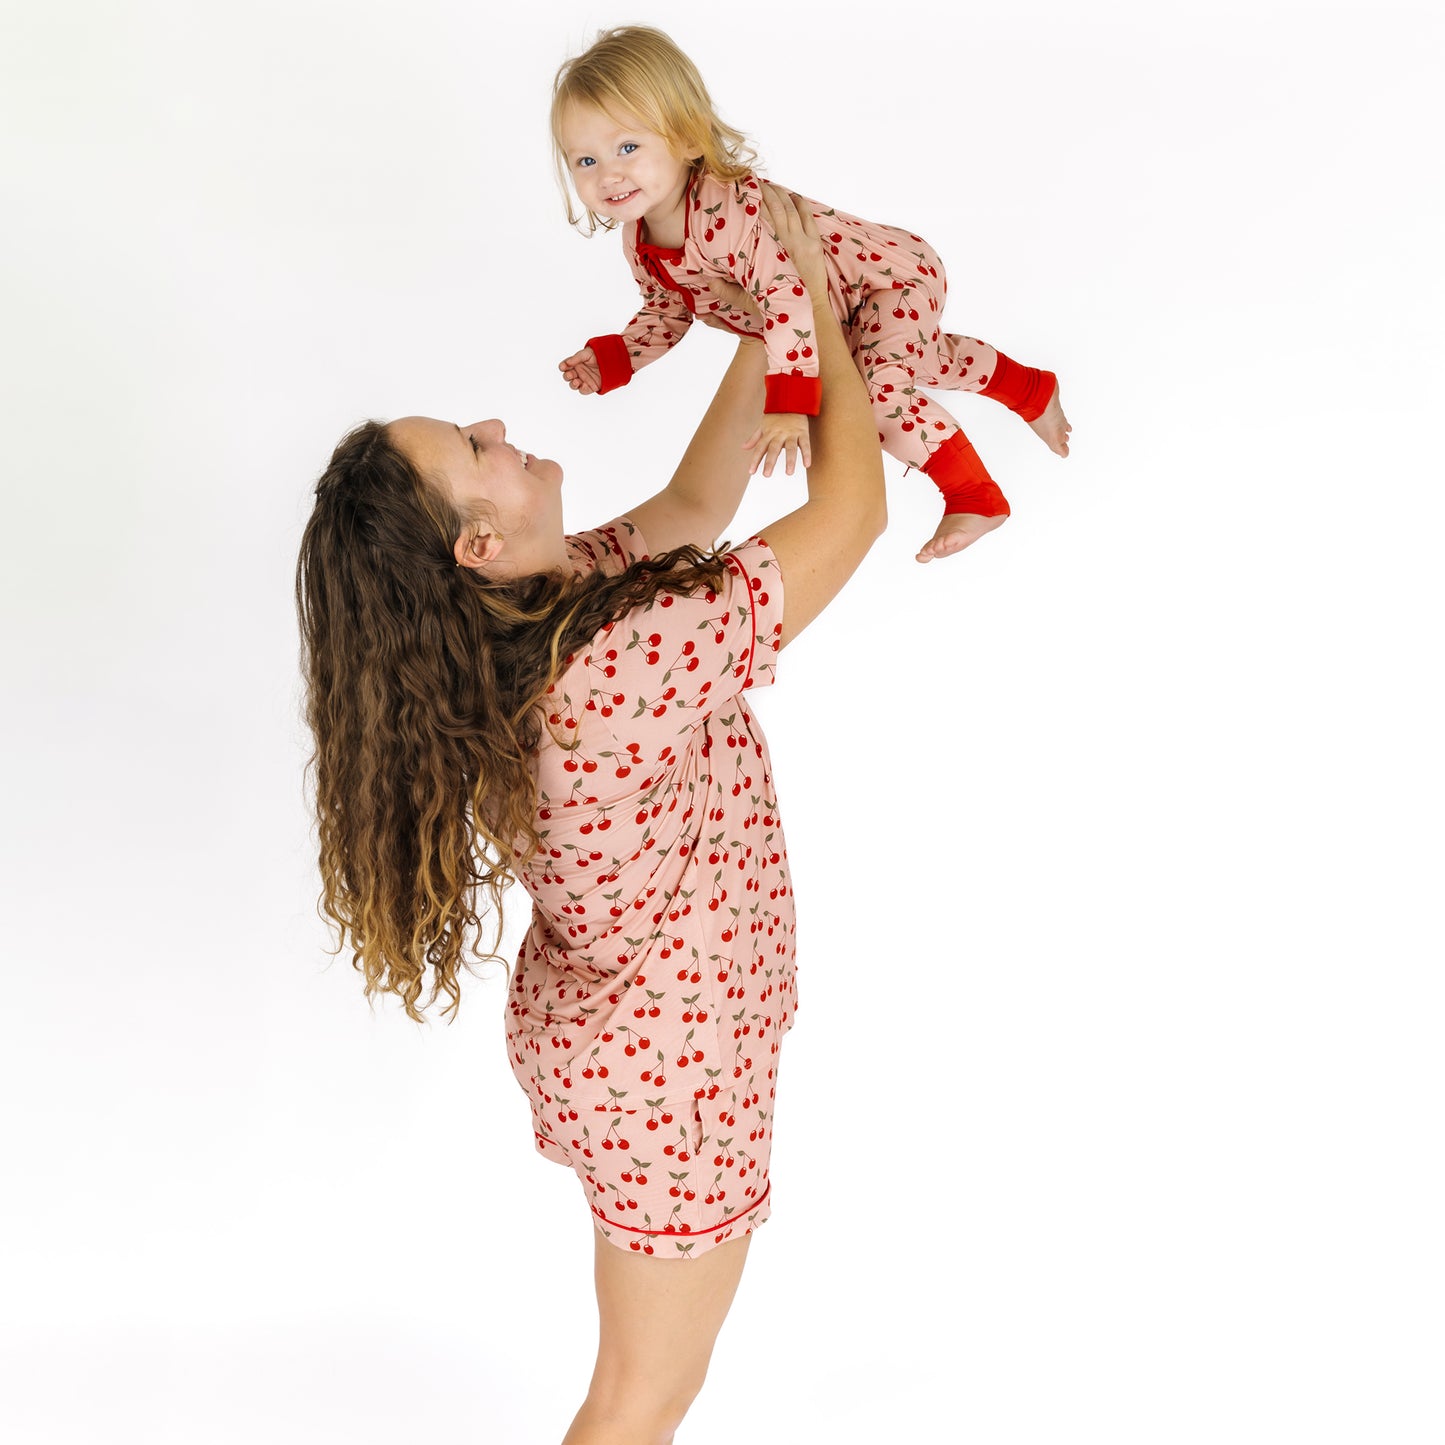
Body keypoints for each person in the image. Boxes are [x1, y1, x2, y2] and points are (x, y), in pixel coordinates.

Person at [296, 187, 885, 1444]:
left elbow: (690, 509)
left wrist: (772, 312)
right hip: (669, 1068)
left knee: (641, 1388)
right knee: (639, 1400)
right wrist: (824, 318)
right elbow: (850, 518)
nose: (501, 427)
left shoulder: (547, 615)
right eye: (474, 448)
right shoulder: (609, 664)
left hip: (625, 1034)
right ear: (476, 545)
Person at [552, 23, 1071, 564]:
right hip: (842, 308)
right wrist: (616, 357)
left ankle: (975, 497)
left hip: (888, 281)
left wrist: (789, 403)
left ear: (686, 138)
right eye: (585, 161)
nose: (608, 175)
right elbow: (667, 310)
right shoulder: (640, 240)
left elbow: (786, 300)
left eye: (627, 147)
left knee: (878, 396)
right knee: (924, 360)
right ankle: (1031, 389)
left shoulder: (724, 212)